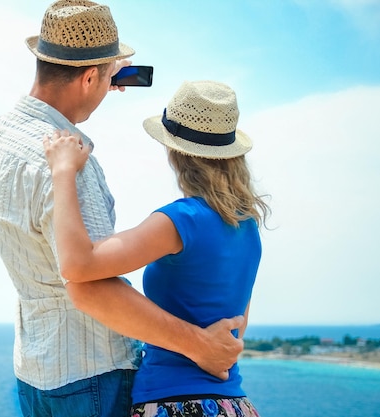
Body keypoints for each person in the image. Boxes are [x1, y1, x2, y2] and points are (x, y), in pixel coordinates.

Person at [0, 1, 244, 416]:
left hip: (34, 368)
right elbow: (88, 283)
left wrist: (96, 77)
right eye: (102, 79)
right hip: (90, 370)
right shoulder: (73, 164)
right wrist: (201, 346)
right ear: (87, 76)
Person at [43, 80, 270, 417]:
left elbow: (78, 266)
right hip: (234, 404)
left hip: (175, 405)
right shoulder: (248, 226)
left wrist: (62, 171)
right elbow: (237, 329)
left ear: (174, 151)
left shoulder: (181, 220)